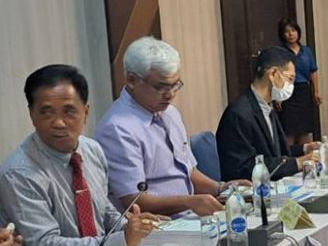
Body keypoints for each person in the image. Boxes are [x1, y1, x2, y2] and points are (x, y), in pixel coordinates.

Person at [0, 65, 160, 246]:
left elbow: (103, 212)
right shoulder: (19, 173)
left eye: (69, 111)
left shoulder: (92, 150)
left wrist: (133, 227)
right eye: (46, 112)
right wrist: (121, 240)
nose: (58, 123)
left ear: (86, 112)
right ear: (31, 114)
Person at [96, 37, 250, 217]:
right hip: (156, 226)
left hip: (189, 218)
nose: (170, 95)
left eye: (175, 85)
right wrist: (190, 202)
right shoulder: (117, 128)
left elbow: (187, 171)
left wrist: (221, 188)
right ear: (132, 80)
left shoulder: (170, 113)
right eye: (160, 87)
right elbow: (134, 201)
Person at [216, 47, 320, 181]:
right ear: (273, 74)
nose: (291, 85)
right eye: (290, 78)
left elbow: (275, 153)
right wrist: (298, 162)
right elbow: (244, 168)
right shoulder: (238, 114)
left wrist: (305, 148)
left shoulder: (267, 107)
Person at [276, 18, 321, 145]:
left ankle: (306, 154)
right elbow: (277, 74)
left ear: (298, 32)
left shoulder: (306, 51)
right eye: (287, 31)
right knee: (289, 129)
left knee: (304, 129)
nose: (291, 34)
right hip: (287, 92)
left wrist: (316, 92)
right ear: (282, 34)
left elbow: (313, 71)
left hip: (304, 91)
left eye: (293, 30)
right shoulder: (280, 52)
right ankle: (289, 155)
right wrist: (278, 95)